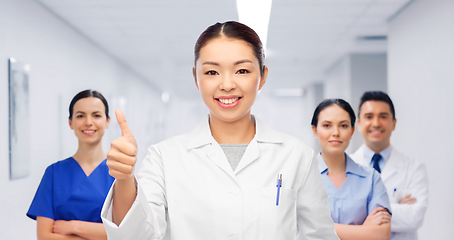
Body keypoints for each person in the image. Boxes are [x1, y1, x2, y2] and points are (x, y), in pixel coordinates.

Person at [101, 21, 339, 239]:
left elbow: (319, 237)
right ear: (196, 78)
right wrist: (124, 179)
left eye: (242, 71)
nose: (227, 85)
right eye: (212, 72)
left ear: (262, 76)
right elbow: (136, 237)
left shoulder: (297, 156)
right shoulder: (164, 158)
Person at [27, 90, 114, 240]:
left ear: (107, 121)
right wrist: (99, 233)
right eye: (80, 116)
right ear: (70, 122)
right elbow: (44, 236)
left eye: (96, 115)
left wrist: (73, 226)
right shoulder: (54, 173)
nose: (88, 122)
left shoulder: (118, 173)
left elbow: (125, 234)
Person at [350, 91, 429, 240]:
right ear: (359, 124)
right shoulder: (345, 166)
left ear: (394, 123)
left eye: (383, 116)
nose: (376, 123)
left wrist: (361, 209)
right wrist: (396, 206)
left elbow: (415, 217)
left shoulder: (414, 168)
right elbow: (339, 217)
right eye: (369, 117)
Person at [311, 98, 391, 240]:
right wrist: (363, 230)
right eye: (327, 125)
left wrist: (320, 227)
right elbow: (297, 227)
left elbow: (381, 234)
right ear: (315, 130)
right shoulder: (303, 176)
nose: (335, 132)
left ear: (352, 130)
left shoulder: (371, 178)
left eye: (343, 126)